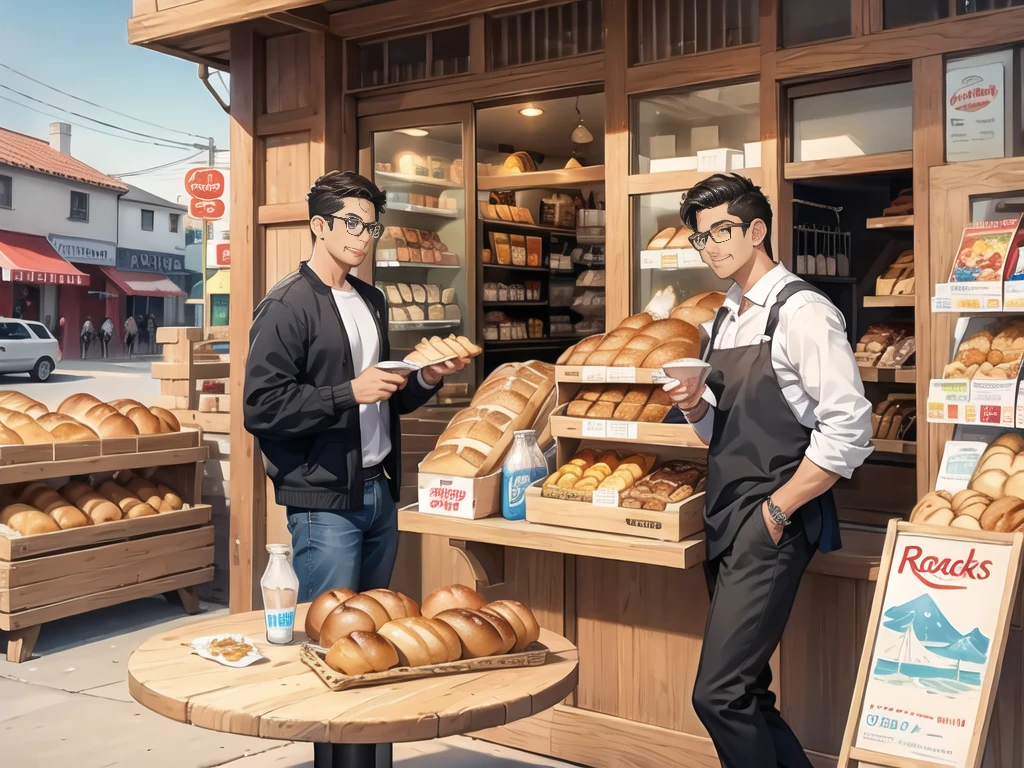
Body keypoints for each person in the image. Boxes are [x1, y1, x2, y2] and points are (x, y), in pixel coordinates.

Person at [664, 174, 873, 768]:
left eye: (722, 231)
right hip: (727, 513)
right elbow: (720, 432)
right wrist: (695, 406)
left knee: (719, 695)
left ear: (757, 231)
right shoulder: (725, 319)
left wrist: (778, 510)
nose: (710, 247)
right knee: (748, 691)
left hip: (771, 519)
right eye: (700, 237)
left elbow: (850, 429)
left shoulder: (803, 312)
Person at [244, 170, 468, 602]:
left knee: (370, 629)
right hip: (323, 502)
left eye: (370, 226)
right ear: (319, 226)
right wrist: (349, 392)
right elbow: (261, 407)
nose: (363, 237)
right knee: (328, 634)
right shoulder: (285, 305)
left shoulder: (372, 299)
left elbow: (385, 396)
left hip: (380, 491)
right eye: (351, 223)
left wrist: (427, 377)